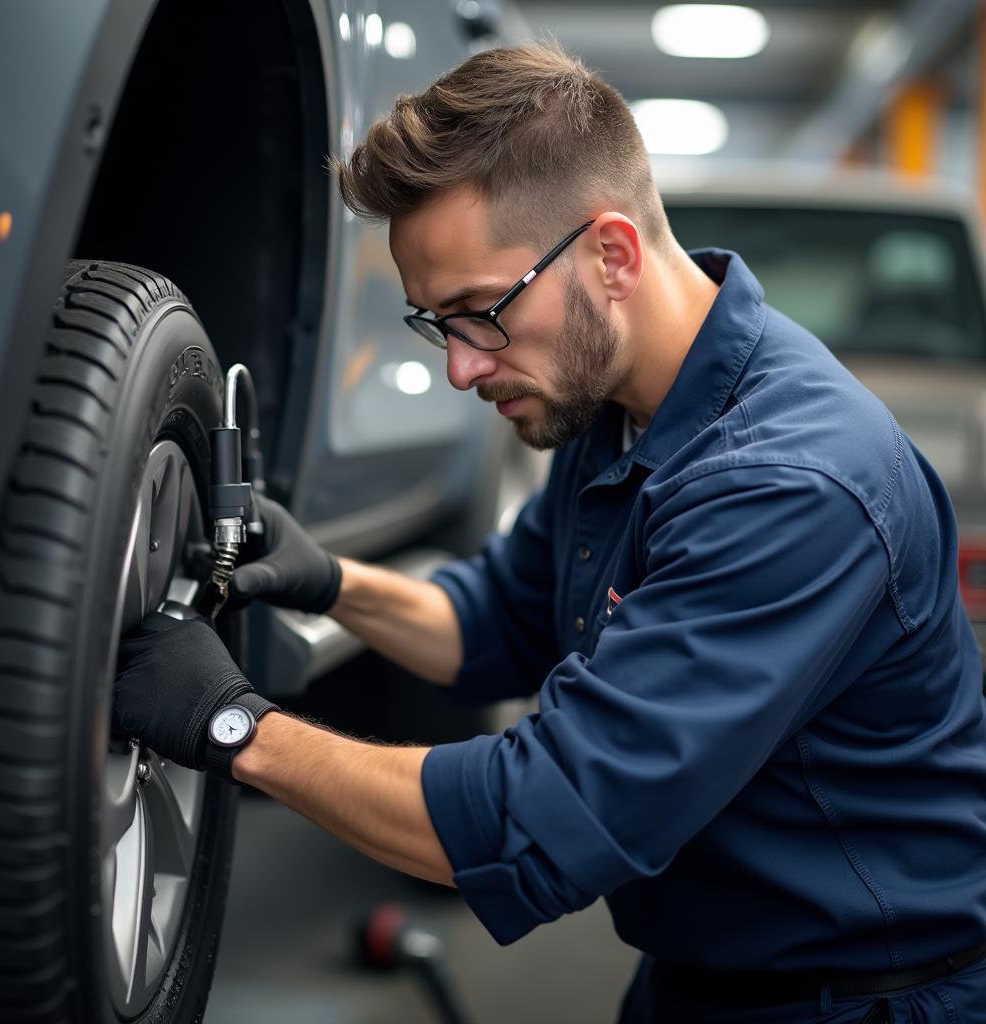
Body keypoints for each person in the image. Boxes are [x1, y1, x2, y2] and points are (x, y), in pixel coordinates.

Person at [113, 43, 986, 1023]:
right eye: (433, 323)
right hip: (693, 982)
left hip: (861, 1001)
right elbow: (497, 620)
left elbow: (538, 819)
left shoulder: (791, 485)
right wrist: (329, 580)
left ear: (610, 255)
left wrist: (232, 725)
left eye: (477, 313)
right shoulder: (614, 399)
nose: (458, 368)